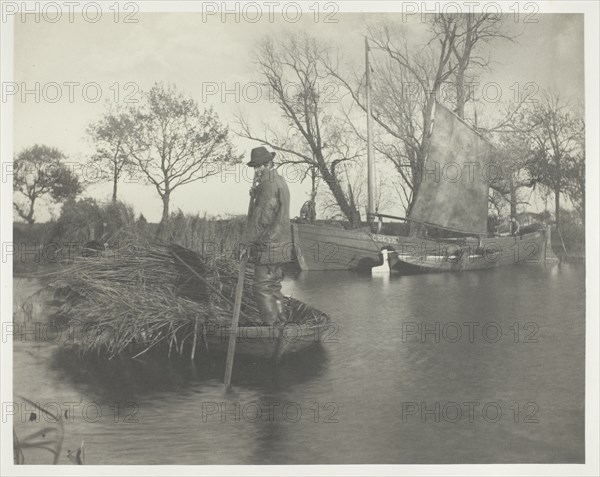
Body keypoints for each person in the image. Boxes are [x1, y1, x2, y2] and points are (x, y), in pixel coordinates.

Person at [243, 146, 292, 325]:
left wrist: (247, 244)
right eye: (254, 167)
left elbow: (262, 219)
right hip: (282, 246)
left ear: (267, 164)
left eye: (258, 167)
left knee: (261, 288)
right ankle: (282, 322)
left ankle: (271, 326)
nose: (255, 171)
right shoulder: (278, 180)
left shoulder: (268, 184)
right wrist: (257, 193)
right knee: (274, 286)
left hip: (268, 245)